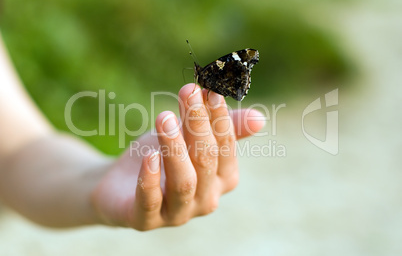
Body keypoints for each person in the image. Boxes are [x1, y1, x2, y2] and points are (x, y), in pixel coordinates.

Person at [0, 32, 265, 231]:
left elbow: (16, 149)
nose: (196, 71)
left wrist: (96, 180)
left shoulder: (211, 72)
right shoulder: (206, 75)